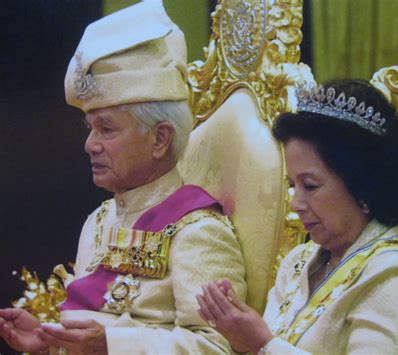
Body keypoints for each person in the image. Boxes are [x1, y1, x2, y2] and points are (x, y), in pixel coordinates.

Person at [0, 1, 246, 354]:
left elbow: (220, 346)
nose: (89, 145)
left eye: (107, 129)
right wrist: (49, 341)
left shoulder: (199, 232)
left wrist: (113, 345)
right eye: (90, 128)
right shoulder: (100, 221)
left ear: (160, 138)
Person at [196, 79, 398, 354]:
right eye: (292, 186)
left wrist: (262, 344)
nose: (296, 203)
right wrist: (241, 341)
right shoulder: (299, 261)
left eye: (310, 186)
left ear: (362, 185)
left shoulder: (394, 275)